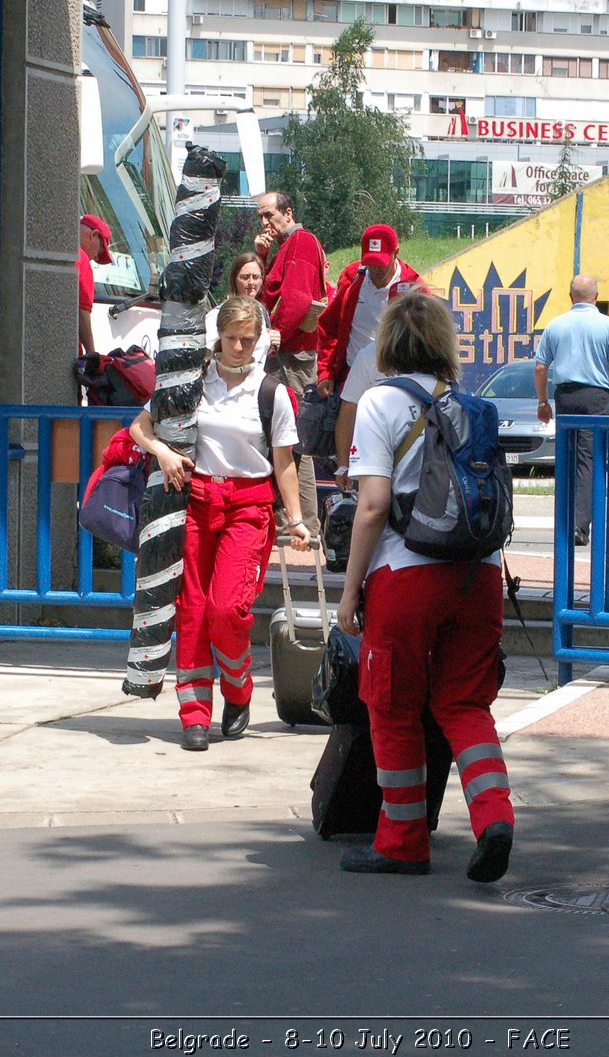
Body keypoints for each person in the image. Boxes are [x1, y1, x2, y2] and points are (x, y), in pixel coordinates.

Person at [335, 292, 515, 882]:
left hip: (406, 575)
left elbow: (373, 506)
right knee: (465, 703)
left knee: (391, 704)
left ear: (388, 342)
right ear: (443, 344)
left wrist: (349, 591)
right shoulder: (469, 403)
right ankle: (494, 817)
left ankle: (404, 841)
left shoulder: (380, 402)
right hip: (479, 573)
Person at [126, 297, 313, 752]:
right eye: (231, 338)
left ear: (258, 340)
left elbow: (284, 463)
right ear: (217, 336)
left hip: (249, 504)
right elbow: (139, 427)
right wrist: (165, 453)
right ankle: (193, 713)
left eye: (247, 340)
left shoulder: (273, 393)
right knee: (191, 609)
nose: (238, 347)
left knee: (226, 609)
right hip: (197, 499)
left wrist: (298, 519)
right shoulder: (192, 383)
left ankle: (238, 688)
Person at [533, 274, 609, 547]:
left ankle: (566, 521)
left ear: (570, 297)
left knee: (567, 460)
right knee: (589, 462)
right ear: (597, 297)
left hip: (565, 396)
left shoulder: (555, 326)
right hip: (596, 398)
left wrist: (543, 402)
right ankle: (580, 526)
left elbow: (541, 368)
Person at [321, 224, 423, 490]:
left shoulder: (414, 287)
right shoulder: (353, 278)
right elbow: (328, 327)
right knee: (355, 457)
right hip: (355, 376)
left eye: (382, 264)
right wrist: (326, 372)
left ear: (396, 253)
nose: (376, 271)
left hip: (397, 386)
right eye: (371, 263)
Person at [255, 191, 328, 526]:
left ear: (288, 212)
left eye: (269, 215)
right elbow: (270, 291)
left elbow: (296, 299)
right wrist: (263, 255)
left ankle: (303, 521)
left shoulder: (299, 242)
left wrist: (275, 336)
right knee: (292, 435)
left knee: (293, 437)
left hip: (291, 353)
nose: (264, 223)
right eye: (260, 217)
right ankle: (300, 520)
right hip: (291, 349)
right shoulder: (290, 244)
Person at [206, 252, 280, 366]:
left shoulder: (261, 313)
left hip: (256, 381)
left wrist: (271, 343)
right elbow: (208, 357)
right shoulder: (216, 315)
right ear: (234, 279)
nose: (251, 283)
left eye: (255, 277)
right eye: (245, 277)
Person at [78, 214, 113, 362]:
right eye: (99, 253)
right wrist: (92, 354)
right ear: (93, 235)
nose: (95, 259)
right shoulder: (81, 259)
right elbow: (81, 312)